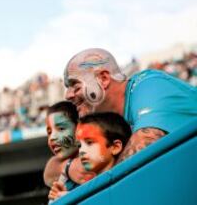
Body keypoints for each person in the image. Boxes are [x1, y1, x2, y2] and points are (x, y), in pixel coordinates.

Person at [64, 47, 197, 162]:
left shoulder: (149, 85)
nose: (67, 95)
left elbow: (146, 144)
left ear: (103, 79)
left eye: (75, 85)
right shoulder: (117, 124)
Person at [44, 101, 95, 202]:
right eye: (49, 132)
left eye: (61, 128)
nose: (52, 138)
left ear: (79, 128)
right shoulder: (62, 177)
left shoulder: (94, 163)